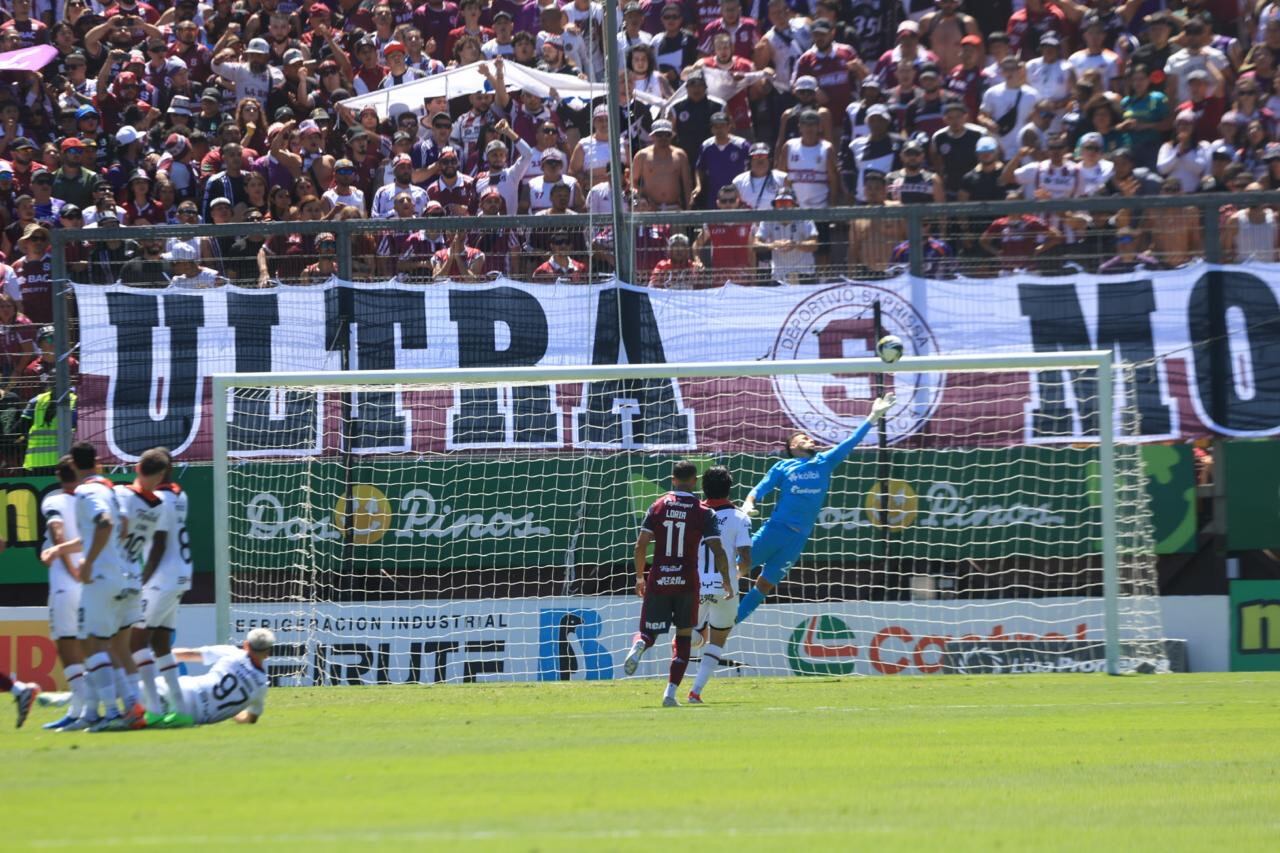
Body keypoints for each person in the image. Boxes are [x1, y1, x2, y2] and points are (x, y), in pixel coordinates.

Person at [735, 392, 897, 624]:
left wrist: (873, 417)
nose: (810, 439)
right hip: (775, 530)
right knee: (736, 571)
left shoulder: (824, 461)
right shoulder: (784, 466)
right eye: (804, 437)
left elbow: (849, 442)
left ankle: (727, 626)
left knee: (765, 585)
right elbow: (757, 491)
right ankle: (703, 612)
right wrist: (747, 506)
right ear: (793, 445)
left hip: (798, 538)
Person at [621, 460, 732, 708]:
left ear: (672, 479)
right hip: (687, 581)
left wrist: (640, 576)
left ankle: (641, 643)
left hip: (659, 578)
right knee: (683, 636)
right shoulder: (703, 511)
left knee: (649, 630)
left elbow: (640, 545)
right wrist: (726, 579)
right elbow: (717, 548)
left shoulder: (658, 505)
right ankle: (670, 694)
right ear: (694, 482)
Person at [686, 465, 752, 705]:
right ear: (730, 488)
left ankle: (693, 635)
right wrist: (735, 576)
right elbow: (746, 559)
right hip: (725, 588)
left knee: (690, 636)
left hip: (694, 585)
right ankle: (695, 691)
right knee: (717, 641)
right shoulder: (739, 517)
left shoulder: (693, 513)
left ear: (703, 487)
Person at [38, 456, 89, 730]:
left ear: (58, 475)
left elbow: (57, 532)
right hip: (91, 579)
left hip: (66, 581)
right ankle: (95, 707)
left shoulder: (53, 500)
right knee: (91, 645)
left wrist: (69, 567)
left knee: (66, 644)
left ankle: (78, 709)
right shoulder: (91, 498)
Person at [144, 628, 274, 728]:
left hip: (186, 690)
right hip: (196, 715)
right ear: (268, 653)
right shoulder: (261, 685)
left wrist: (150, 657)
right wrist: (230, 712)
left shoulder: (233, 652)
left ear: (246, 645)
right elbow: (249, 719)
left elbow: (189, 654)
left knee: (136, 697)